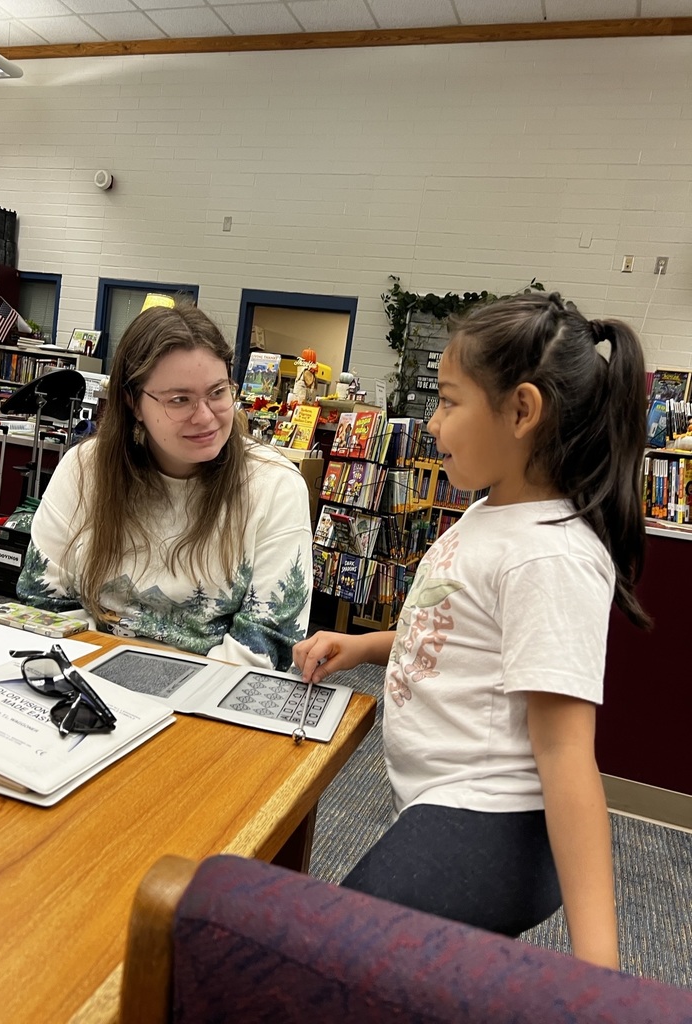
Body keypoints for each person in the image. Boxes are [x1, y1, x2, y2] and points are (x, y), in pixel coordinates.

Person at [294, 292, 650, 969]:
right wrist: (365, 646)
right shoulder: (492, 514)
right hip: (448, 806)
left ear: (521, 410)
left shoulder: (551, 553)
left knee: (324, 961)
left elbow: (568, 754)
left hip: (494, 820)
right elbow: (454, 635)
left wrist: (598, 971)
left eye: (450, 402)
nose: (432, 423)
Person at [17, 303, 313, 671]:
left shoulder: (275, 487)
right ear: (134, 403)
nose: (205, 416)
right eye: (179, 400)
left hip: (208, 708)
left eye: (218, 392)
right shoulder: (84, 469)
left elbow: (266, 649)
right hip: (86, 684)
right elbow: (43, 605)